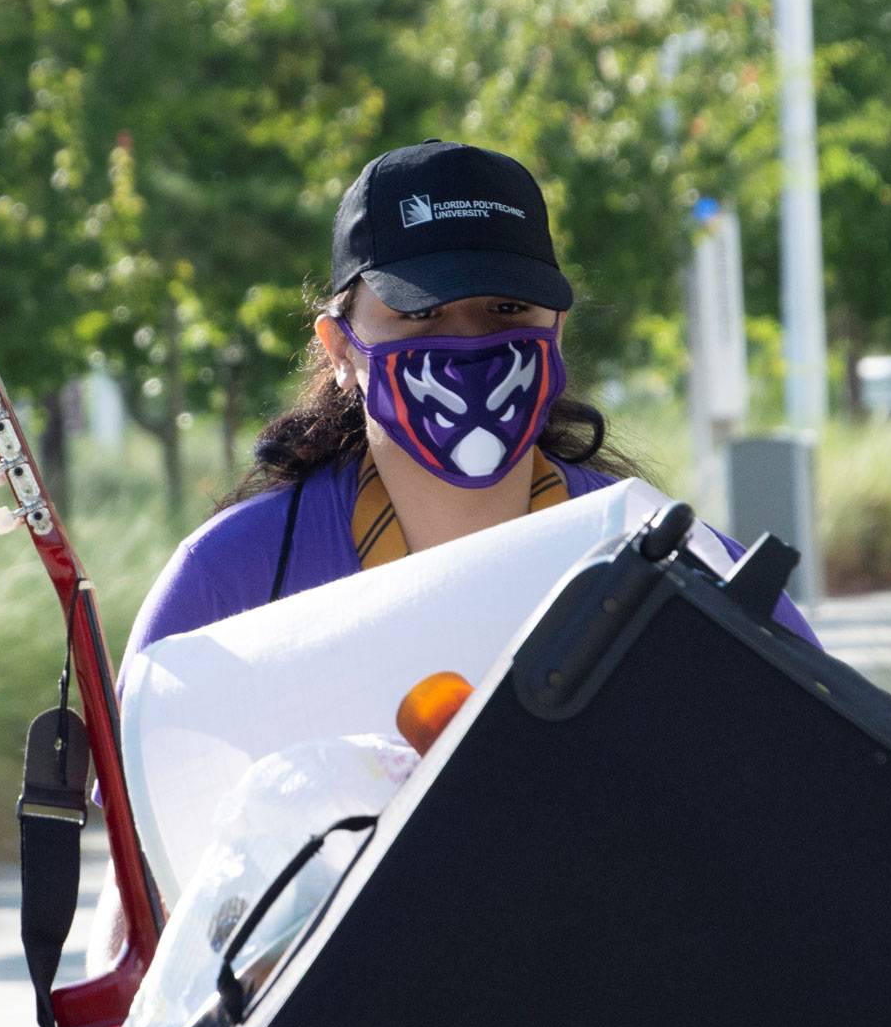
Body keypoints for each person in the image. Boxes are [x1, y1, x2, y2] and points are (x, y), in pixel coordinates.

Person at [124, 138, 814, 660]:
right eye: (420, 315)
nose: (469, 344)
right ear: (339, 350)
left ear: (557, 332)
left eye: (507, 307)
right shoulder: (232, 579)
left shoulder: (678, 566)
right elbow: (149, 830)